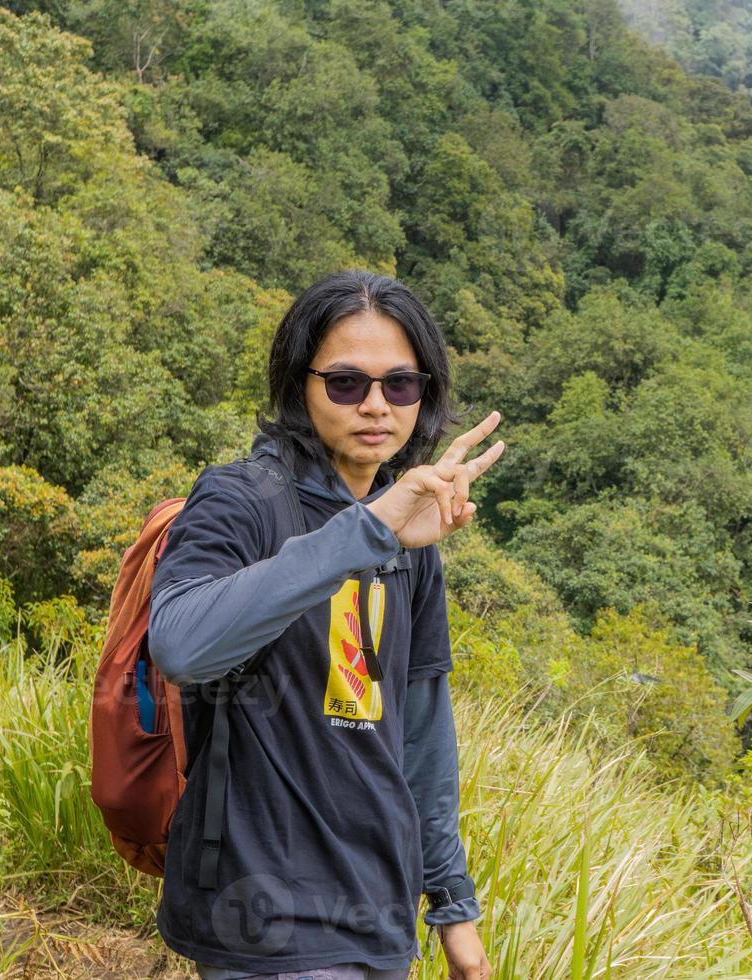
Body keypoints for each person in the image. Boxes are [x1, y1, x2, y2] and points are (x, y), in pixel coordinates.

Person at [147, 270, 502, 980]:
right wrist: (366, 532)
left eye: (400, 384)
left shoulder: (410, 534)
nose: (376, 405)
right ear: (299, 386)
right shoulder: (240, 500)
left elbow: (420, 738)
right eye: (346, 383)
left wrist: (452, 907)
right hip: (263, 917)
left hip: (377, 913)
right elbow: (181, 645)